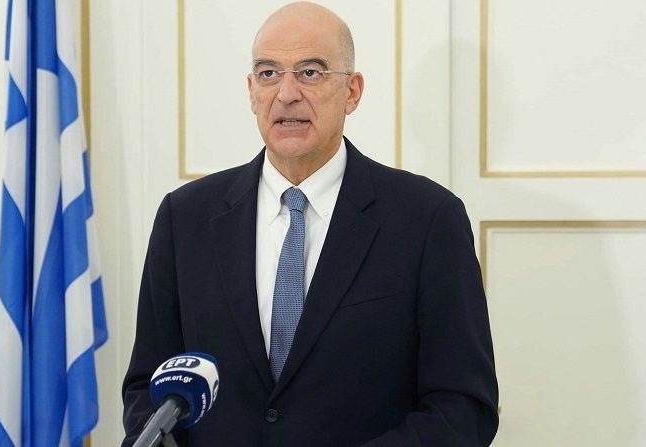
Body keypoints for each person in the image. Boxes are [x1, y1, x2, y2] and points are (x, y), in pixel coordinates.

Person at [121, 2, 498, 446]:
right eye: (268, 73)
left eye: (310, 72)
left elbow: (462, 407)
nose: (286, 94)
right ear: (251, 91)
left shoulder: (428, 219)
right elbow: (147, 390)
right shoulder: (184, 218)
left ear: (352, 91)